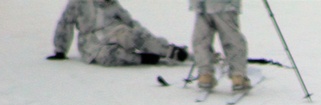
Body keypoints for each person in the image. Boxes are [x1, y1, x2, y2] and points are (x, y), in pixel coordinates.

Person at [49, 0, 189, 66]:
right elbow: (65, 23)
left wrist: (155, 43)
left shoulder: (113, 5)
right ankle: (146, 58)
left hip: (116, 32)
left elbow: (132, 24)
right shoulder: (78, 3)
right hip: (92, 43)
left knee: (132, 35)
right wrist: (60, 50)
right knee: (110, 57)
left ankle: (169, 51)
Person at [189, 0, 250, 92]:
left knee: (202, 39)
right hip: (224, 4)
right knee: (231, 38)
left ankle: (205, 74)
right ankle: (238, 76)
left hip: (201, 4)